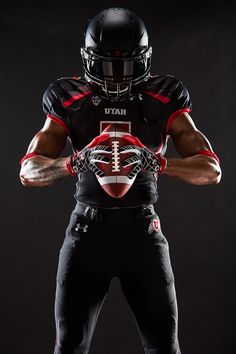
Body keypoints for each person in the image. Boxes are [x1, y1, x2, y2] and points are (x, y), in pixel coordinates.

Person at [19, 7, 222, 354]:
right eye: (106, 65)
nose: (115, 77)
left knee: (165, 347)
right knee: (69, 345)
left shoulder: (164, 95)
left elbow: (211, 169)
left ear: (144, 61)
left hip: (142, 231)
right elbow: (28, 171)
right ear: (88, 60)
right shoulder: (69, 96)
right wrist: (74, 162)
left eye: (125, 66)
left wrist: (157, 162)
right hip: (87, 230)